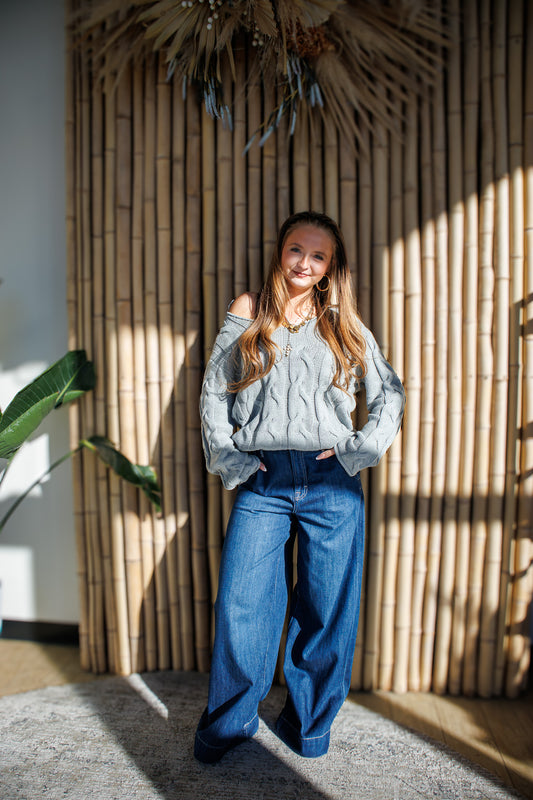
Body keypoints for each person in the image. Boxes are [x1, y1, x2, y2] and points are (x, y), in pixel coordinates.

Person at [194, 210, 405, 763]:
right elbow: (215, 394)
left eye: (318, 256)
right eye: (296, 250)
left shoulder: (345, 324)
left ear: (332, 267)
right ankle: (230, 722)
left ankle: (309, 726)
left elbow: (390, 395)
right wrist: (234, 463)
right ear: (280, 251)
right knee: (242, 604)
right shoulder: (248, 310)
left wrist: (357, 449)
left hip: (331, 483)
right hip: (263, 482)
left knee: (326, 609)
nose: (304, 264)